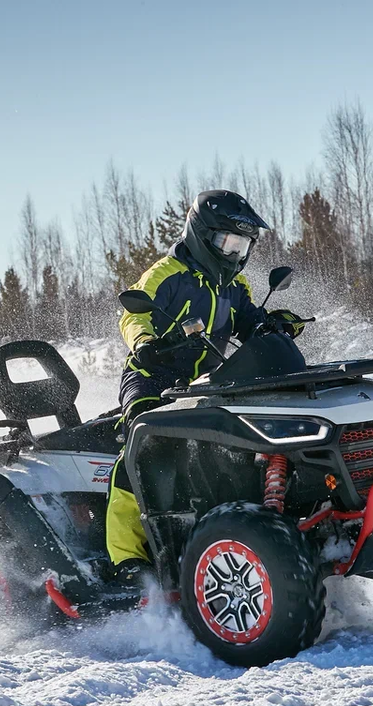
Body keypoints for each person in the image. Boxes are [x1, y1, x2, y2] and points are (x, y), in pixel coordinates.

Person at [105, 189, 307, 585]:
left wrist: (275, 326)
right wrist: (144, 344)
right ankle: (125, 562)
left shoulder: (235, 285)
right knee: (139, 448)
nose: (234, 252)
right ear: (201, 233)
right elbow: (132, 315)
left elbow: (251, 321)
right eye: (227, 241)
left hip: (209, 383)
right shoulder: (166, 274)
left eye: (243, 244)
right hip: (153, 376)